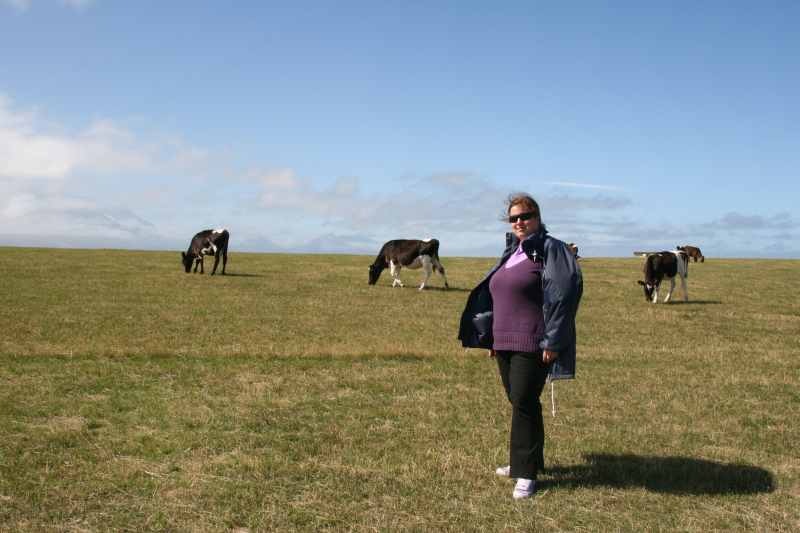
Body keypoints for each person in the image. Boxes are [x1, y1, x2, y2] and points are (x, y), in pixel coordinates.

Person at [458, 193, 582, 499]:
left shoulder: (551, 249)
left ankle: (525, 473)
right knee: (519, 401)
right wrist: (490, 338)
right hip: (504, 341)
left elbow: (564, 296)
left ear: (537, 217)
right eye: (513, 218)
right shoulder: (512, 251)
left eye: (524, 216)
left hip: (533, 341)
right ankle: (527, 460)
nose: (519, 222)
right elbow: (498, 296)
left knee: (524, 402)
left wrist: (553, 340)